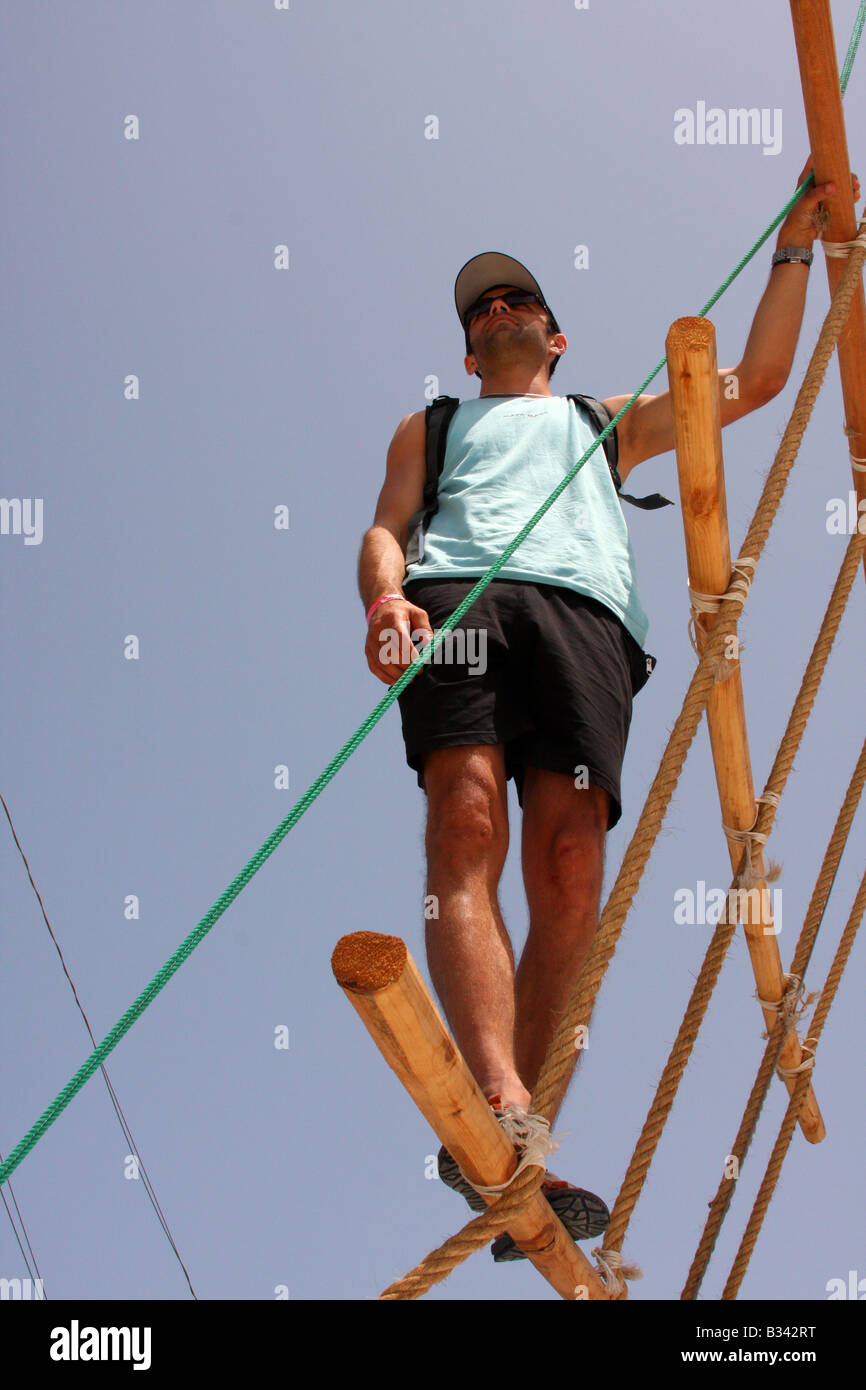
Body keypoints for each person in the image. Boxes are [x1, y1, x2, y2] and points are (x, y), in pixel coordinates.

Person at [357, 161, 857, 1259]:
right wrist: (386, 597)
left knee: (570, 862)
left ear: (554, 334)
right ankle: (493, 1103)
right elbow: (386, 527)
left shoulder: (601, 421)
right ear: (465, 345)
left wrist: (791, 245)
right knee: (467, 817)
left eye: (516, 300)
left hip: (586, 625)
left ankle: (523, 1130)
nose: (496, 311)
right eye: (479, 308)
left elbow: (755, 379)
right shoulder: (430, 427)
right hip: (461, 601)